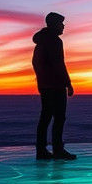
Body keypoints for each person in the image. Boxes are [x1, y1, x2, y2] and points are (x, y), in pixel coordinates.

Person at [32, 11, 76, 160]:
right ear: (54, 24)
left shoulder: (41, 41)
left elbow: (36, 64)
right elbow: (59, 64)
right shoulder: (55, 41)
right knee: (58, 117)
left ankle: (41, 150)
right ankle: (57, 150)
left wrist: (41, 81)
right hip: (55, 85)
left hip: (45, 85)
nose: (63, 26)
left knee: (46, 117)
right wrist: (68, 83)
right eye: (61, 23)